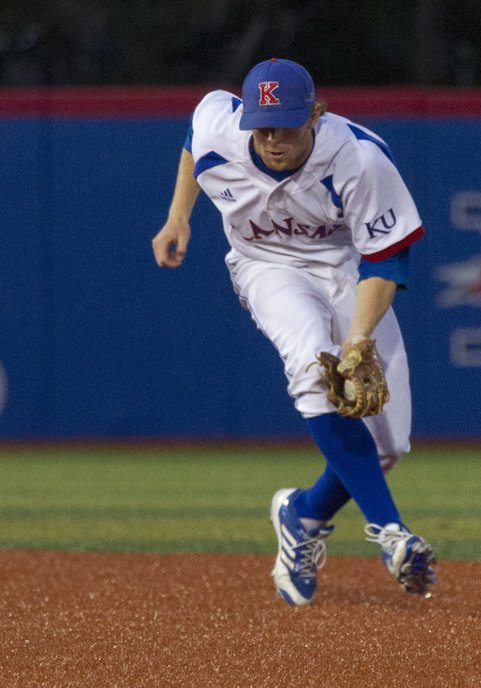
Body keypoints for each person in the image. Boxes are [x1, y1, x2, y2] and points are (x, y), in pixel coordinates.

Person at [151, 57, 436, 603]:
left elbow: (387, 262)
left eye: (285, 125)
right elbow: (195, 135)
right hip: (265, 266)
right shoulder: (222, 124)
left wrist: (358, 337)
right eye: (262, 126)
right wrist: (179, 216)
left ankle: (301, 514)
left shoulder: (359, 159)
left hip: (344, 267)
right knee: (310, 362)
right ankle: (392, 534)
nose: (272, 138)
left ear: (316, 114)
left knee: (386, 444)